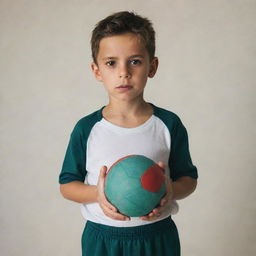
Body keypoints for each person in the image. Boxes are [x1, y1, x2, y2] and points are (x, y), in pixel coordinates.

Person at [59, 11, 198, 256]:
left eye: (135, 61)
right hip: (103, 238)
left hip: (157, 236)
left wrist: (170, 189)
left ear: (152, 66)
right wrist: (98, 195)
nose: (124, 72)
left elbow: (189, 179)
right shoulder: (87, 128)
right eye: (111, 63)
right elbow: (67, 185)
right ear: (97, 70)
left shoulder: (168, 124)